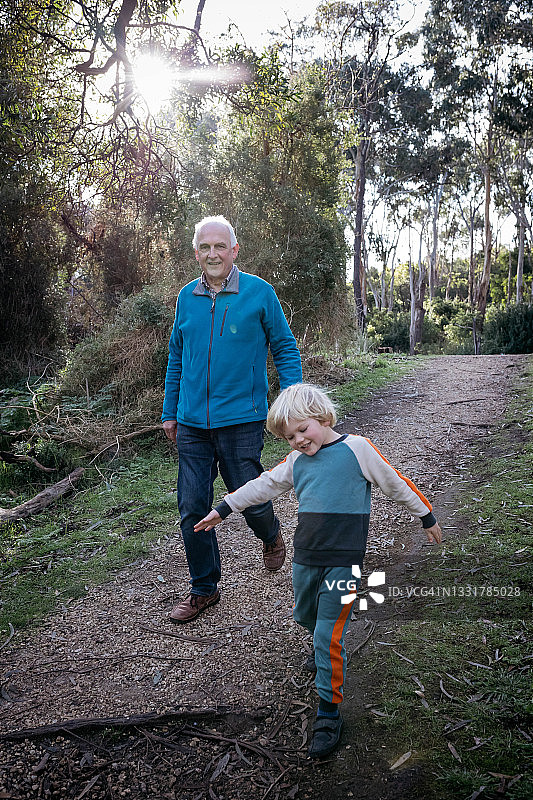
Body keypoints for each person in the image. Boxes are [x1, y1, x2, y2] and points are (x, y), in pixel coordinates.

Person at [194, 383, 442, 758]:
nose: (296, 440)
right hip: (305, 558)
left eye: (302, 430)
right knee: (304, 615)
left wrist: (425, 514)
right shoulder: (296, 462)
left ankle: (328, 711)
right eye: (288, 436)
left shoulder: (357, 449)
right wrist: (224, 507)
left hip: (345, 562)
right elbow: (263, 485)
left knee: (328, 635)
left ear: (323, 418)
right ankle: (322, 643)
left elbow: (394, 482)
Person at [162, 215, 302, 623]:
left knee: (249, 495)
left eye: (220, 246)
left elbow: (285, 347)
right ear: (196, 253)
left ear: (234, 250)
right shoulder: (186, 298)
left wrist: (292, 398)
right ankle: (204, 589)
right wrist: (171, 410)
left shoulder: (260, 293)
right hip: (191, 425)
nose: (212, 254)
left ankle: (271, 534)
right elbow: (176, 357)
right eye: (204, 247)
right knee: (192, 507)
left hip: (242, 419)